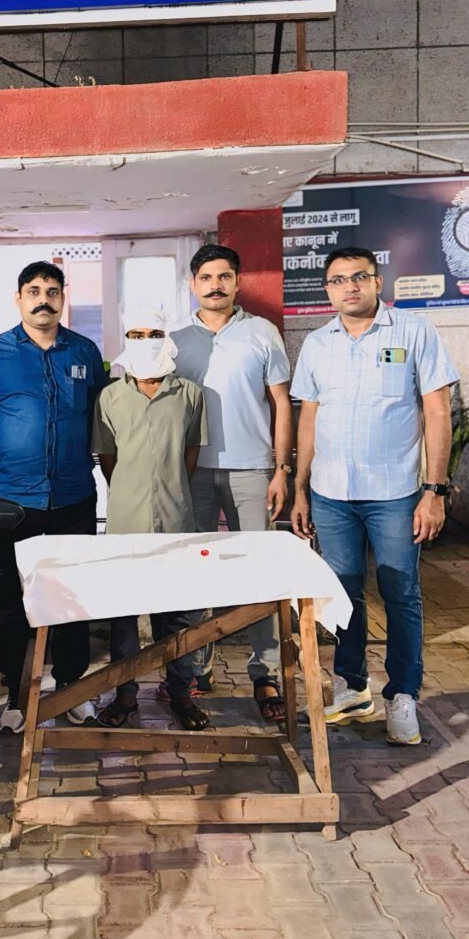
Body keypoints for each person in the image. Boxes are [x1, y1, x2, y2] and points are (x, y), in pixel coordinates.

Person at [290, 246, 458, 746]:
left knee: (400, 591)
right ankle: (352, 686)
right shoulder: (317, 343)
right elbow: (309, 418)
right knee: (342, 594)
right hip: (331, 493)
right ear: (328, 290)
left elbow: (437, 412)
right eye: (338, 280)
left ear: (377, 282)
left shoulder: (414, 332)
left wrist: (434, 490)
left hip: (395, 492)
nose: (349, 287)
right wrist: (300, 488)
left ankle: (403, 694)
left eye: (359, 277)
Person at [0, 261, 107, 735]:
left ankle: (70, 688)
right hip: (13, 503)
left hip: (73, 498)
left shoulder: (83, 351)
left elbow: (98, 413)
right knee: (11, 605)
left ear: (63, 297)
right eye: (34, 291)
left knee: (73, 599)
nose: (43, 299)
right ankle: (15, 693)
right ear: (18, 298)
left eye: (52, 291)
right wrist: (11, 453)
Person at [171, 243, 294, 723]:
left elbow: (281, 403)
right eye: (206, 277)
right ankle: (196, 667)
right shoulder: (175, 341)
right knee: (196, 570)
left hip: (251, 470)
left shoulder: (262, 332)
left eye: (224, 276)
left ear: (238, 282)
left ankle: (265, 672)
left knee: (258, 572)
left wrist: (281, 469)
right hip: (193, 471)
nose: (215, 285)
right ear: (193, 284)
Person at [92, 306, 210, 731]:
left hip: (175, 521)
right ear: (127, 340)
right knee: (124, 614)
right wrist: (134, 490)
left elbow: (190, 455)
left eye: (154, 334)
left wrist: (167, 488)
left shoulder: (190, 394)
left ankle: (180, 693)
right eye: (136, 335)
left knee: (176, 615)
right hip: (126, 522)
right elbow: (108, 459)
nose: (145, 342)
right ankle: (125, 695)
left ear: (167, 338)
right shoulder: (110, 397)